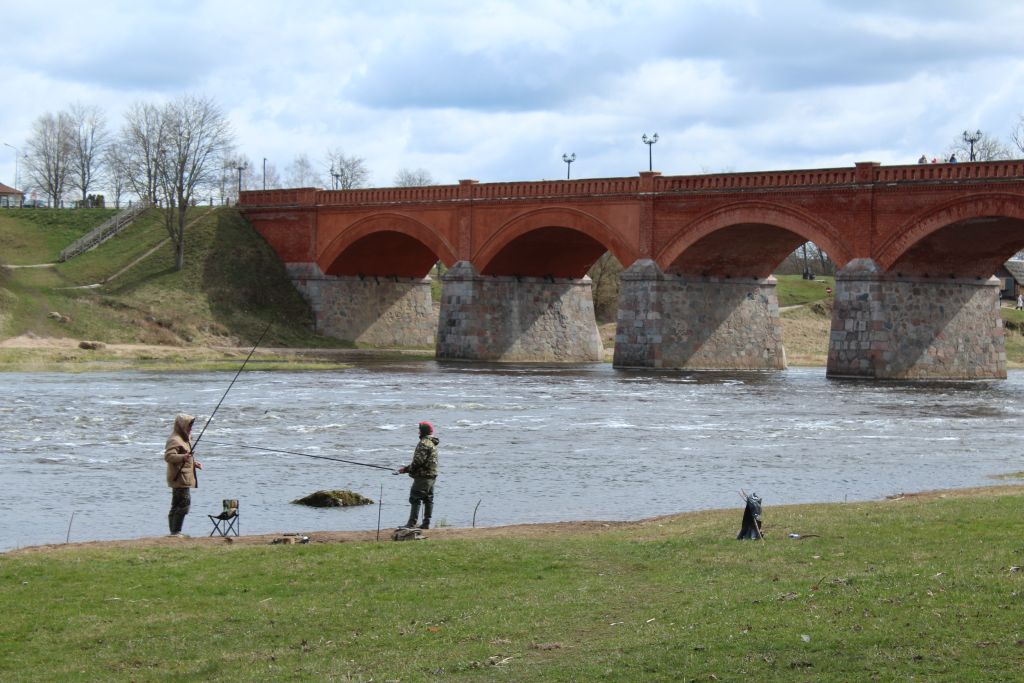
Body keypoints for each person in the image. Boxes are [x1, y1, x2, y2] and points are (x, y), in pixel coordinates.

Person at [164, 414, 202, 536]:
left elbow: (186, 457)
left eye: (191, 425)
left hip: (184, 476)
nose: (191, 428)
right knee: (183, 504)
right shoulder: (174, 439)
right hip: (179, 477)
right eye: (189, 425)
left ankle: (174, 532)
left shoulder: (185, 438)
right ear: (182, 426)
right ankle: (175, 531)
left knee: (177, 504)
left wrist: (193, 463)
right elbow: (169, 456)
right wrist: (183, 457)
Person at [398, 421, 439, 529]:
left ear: (423, 431)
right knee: (428, 499)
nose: (418, 433)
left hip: (423, 477)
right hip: (432, 476)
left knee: (415, 497)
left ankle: (411, 524)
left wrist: (406, 469)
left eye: (419, 430)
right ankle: (426, 523)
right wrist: (406, 469)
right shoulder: (432, 443)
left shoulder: (424, 443)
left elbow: (418, 462)